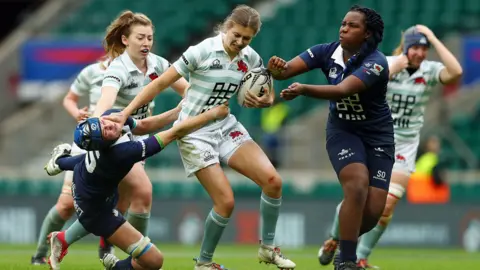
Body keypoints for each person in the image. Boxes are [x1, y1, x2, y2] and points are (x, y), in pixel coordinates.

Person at [104, 5, 296, 270]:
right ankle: (204, 263)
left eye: (246, 38)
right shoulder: (201, 51)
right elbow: (159, 83)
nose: (240, 42)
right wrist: (125, 113)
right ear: (226, 28)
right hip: (193, 132)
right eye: (236, 35)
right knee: (225, 202)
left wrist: (265, 99)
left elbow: (267, 94)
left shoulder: (250, 57)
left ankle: (268, 249)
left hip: (225, 125)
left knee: (274, 181)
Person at [318, 25, 462, 269]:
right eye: (415, 47)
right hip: (375, 136)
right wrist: (401, 61)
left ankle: (361, 257)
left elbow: (456, 72)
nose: (420, 53)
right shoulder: (387, 62)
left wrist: (434, 38)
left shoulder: (429, 71)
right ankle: (335, 238)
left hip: (405, 143)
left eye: (423, 49)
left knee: (386, 205)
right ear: (406, 48)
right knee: (358, 194)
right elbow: (373, 77)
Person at [267, 5, 392, 270]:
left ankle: (337, 237)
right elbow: (285, 71)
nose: (343, 28)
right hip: (343, 131)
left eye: (352, 26)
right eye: (343, 23)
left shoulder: (377, 63)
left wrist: (303, 90)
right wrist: (277, 68)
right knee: (357, 185)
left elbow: (344, 90)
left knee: (372, 213)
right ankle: (346, 262)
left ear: (367, 34)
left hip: (378, 136)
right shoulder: (326, 51)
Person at [44, 102, 229, 270]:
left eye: (101, 123)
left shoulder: (112, 116)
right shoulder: (121, 153)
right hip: (97, 211)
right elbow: (174, 133)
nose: (108, 125)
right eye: (105, 132)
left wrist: (178, 111)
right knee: (153, 261)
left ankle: (62, 239)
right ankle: (110, 263)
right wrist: (211, 114)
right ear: (103, 144)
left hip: (92, 187)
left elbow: (144, 125)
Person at [93, 9, 189, 252]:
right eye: (140, 37)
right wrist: (95, 121)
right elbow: (106, 101)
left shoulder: (158, 63)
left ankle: (78, 240)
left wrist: (199, 102)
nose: (146, 42)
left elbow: (186, 90)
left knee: (124, 200)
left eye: (149, 37)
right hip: (118, 136)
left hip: (141, 132)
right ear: (125, 40)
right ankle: (141, 258)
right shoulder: (118, 68)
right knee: (143, 192)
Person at [31, 57, 110, 265]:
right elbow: (69, 98)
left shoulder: (145, 69)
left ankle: (109, 251)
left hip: (121, 144)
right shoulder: (93, 71)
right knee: (66, 204)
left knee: (118, 202)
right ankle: (39, 253)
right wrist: (77, 113)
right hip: (90, 141)